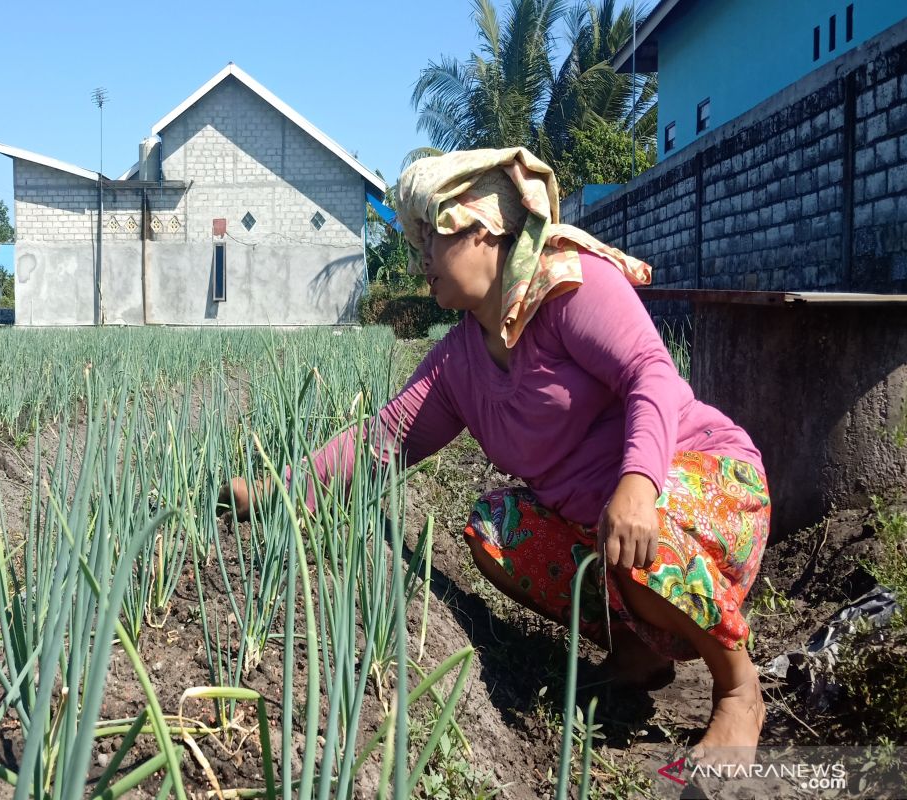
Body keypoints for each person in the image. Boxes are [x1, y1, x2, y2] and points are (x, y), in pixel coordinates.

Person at [222, 148, 770, 759]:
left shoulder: (570, 286)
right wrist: (278, 490)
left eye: (429, 236)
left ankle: (737, 688)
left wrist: (639, 479)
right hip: (604, 527)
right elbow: (384, 438)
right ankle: (638, 650)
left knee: (646, 534)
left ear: (480, 228)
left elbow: (652, 375)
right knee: (495, 530)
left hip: (702, 482)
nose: (419, 257)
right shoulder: (460, 361)